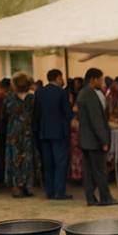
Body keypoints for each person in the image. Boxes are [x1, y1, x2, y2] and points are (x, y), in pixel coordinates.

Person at [77, 67, 118, 206]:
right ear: (93, 79)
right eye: (100, 79)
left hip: (86, 140)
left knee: (89, 171)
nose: (102, 82)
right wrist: (104, 140)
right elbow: (96, 120)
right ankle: (105, 197)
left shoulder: (84, 93)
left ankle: (91, 198)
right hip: (93, 140)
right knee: (100, 170)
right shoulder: (90, 95)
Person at [33, 69, 74, 200]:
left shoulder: (39, 92)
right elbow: (67, 113)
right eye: (61, 78)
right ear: (58, 78)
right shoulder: (62, 93)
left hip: (44, 132)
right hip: (59, 132)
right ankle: (59, 192)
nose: (62, 81)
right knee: (60, 163)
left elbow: (36, 113)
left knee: (48, 163)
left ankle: (49, 191)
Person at [3, 72, 37, 198]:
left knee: (15, 158)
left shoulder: (10, 98)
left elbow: (4, 113)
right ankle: (27, 185)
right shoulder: (32, 98)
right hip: (27, 131)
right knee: (27, 158)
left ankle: (16, 186)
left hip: (14, 131)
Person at [67, 78, 84, 182]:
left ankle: (76, 174)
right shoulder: (77, 95)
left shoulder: (77, 95)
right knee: (76, 152)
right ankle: (77, 174)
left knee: (76, 152)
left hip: (75, 126)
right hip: (76, 126)